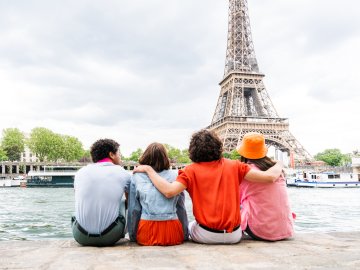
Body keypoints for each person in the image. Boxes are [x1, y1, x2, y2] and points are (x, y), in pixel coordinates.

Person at [133, 129, 283, 244]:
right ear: (218, 146)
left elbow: (168, 192)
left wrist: (148, 169)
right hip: (234, 235)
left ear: (193, 150)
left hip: (206, 235)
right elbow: (269, 178)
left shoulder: (189, 171)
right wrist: (280, 163)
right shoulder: (236, 166)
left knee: (191, 225)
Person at [71, 139, 131, 246]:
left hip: (80, 236)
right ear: (111, 154)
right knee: (123, 202)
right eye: (119, 154)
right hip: (110, 236)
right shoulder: (123, 173)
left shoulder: (80, 172)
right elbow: (131, 204)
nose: (121, 157)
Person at [128, 142, 189, 246]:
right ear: (165, 158)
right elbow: (181, 208)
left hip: (146, 233)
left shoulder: (136, 177)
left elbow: (134, 210)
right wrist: (185, 233)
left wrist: (133, 235)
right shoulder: (175, 176)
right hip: (172, 233)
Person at [237, 132, 295, 241]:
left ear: (243, 152)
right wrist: (279, 163)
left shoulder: (246, 171)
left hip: (260, 230)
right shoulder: (277, 169)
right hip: (285, 229)